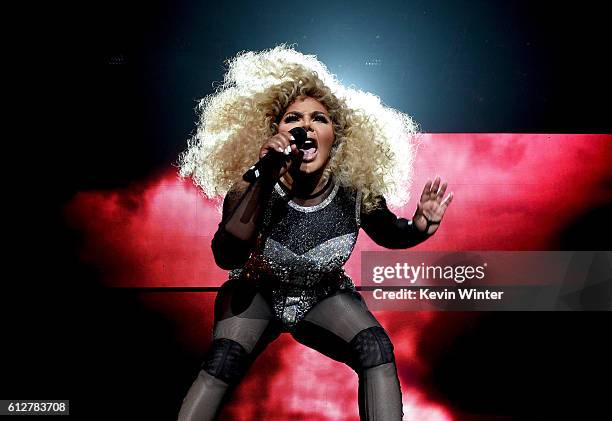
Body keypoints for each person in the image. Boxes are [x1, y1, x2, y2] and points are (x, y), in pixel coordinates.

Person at [177, 45, 453, 420]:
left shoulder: (356, 190)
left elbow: (391, 233)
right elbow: (227, 256)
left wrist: (420, 226)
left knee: (376, 350)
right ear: (275, 132)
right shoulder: (252, 186)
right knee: (224, 360)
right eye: (293, 118)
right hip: (256, 290)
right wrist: (266, 175)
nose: (305, 127)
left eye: (318, 119)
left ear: (335, 136)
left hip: (323, 294)